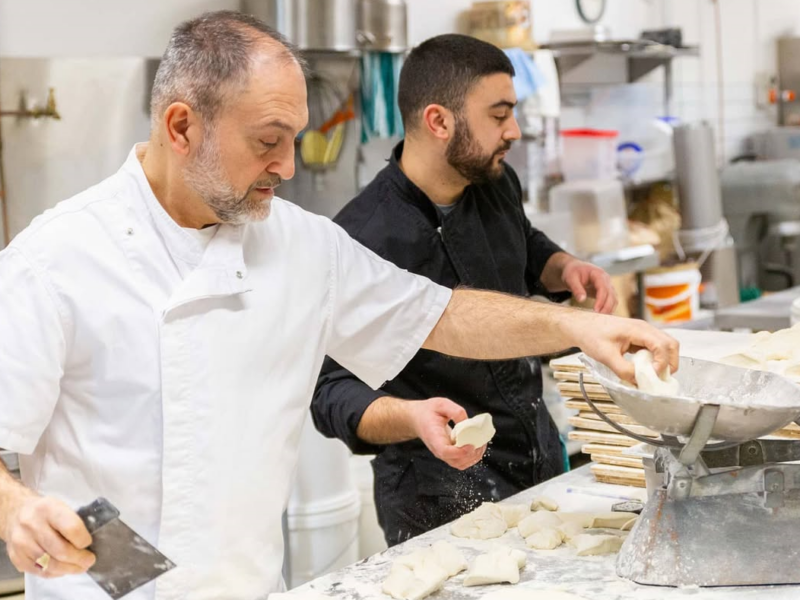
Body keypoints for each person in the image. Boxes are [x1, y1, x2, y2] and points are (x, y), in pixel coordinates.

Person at [0, 11, 678, 600]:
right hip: (104, 590)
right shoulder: (57, 261)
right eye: (268, 141)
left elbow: (442, 315)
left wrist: (579, 325)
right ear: (181, 127)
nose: (289, 167)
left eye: (294, 138)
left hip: (248, 587)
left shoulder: (300, 246)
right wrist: (17, 507)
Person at [311, 34, 620, 546]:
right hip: (437, 496)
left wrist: (561, 267)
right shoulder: (359, 239)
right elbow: (330, 393)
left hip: (536, 458)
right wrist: (411, 415)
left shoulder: (494, 182)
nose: (514, 131)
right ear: (439, 121)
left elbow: (523, 243)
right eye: (499, 115)